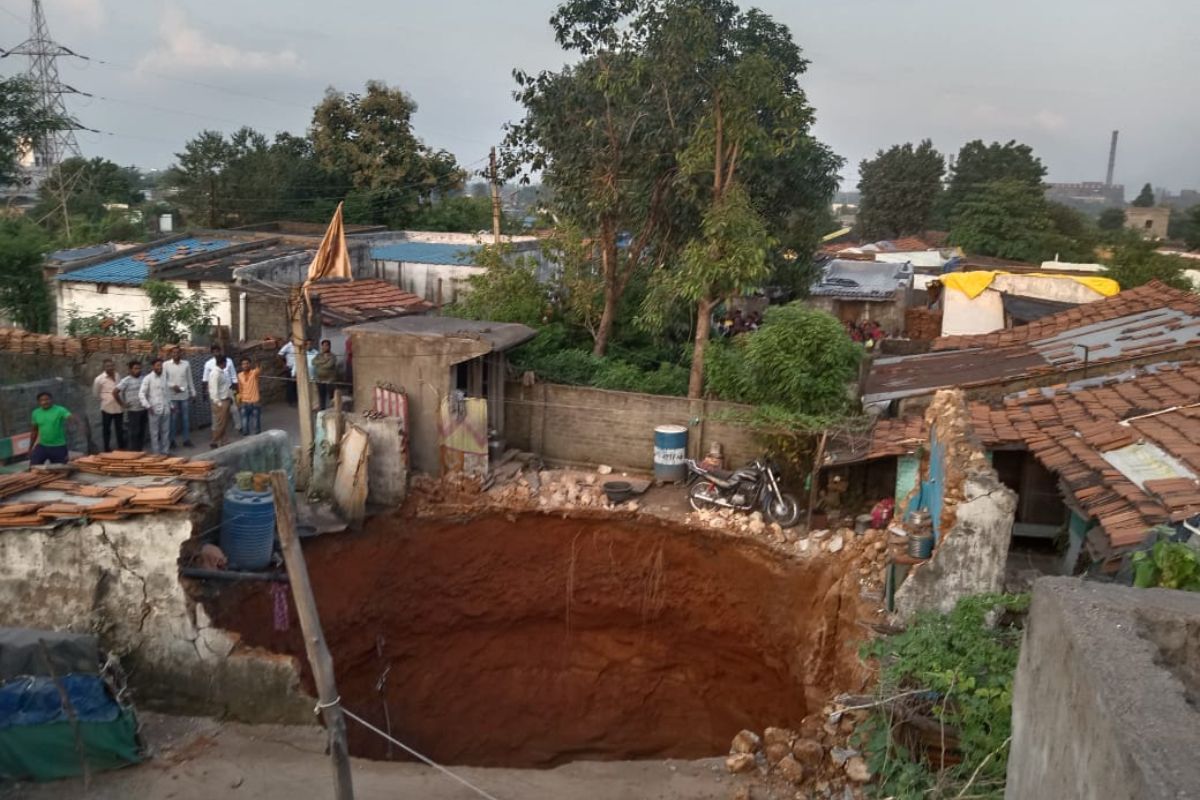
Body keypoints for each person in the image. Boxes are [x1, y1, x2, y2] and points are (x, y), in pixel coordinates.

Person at [29, 392, 75, 466]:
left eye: (47, 399)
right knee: (33, 467)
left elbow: (71, 417)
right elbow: (34, 431)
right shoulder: (36, 413)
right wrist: (30, 447)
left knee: (61, 470)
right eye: (42, 400)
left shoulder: (60, 410)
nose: (44, 402)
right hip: (42, 446)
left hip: (58, 447)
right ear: (38, 402)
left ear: (51, 400)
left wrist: (75, 422)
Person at [203, 344, 241, 434]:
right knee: (216, 413)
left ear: (220, 351)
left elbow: (233, 375)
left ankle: (239, 427)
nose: (216, 353)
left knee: (234, 409)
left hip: (228, 390)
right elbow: (205, 379)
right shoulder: (208, 364)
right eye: (214, 352)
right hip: (216, 392)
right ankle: (215, 430)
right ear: (212, 353)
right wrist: (204, 392)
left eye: (218, 351)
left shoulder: (228, 361)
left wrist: (236, 389)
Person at [139, 358, 173, 455]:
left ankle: (165, 451)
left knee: (165, 432)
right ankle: (156, 453)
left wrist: (171, 405)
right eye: (158, 365)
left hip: (165, 408)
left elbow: (167, 392)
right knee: (154, 433)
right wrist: (147, 406)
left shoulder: (164, 377)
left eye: (161, 365)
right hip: (154, 410)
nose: (160, 367)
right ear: (153, 366)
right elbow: (141, 394)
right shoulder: (148, 378)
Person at [163, 346, 195, 448]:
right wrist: (172, 386)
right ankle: (171, 440)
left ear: (181, 353)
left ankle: (186, 439)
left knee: (186, 419)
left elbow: (189, 379)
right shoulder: (166, 365)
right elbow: (163, 380)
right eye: (174, 352)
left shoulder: (186, 364)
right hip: (172, 396)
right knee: (173, 419)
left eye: (178, 352)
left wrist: (193, 392)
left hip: (184, 395)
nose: (176, 354)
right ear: (171, 354)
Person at [92, 359, 125, 451]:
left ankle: (121, 448)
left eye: (112, 366)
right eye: (108, 366)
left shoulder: (117, 375)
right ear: (104, 367)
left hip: (118, 407)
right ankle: (106, 449)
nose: (110, 368)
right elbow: (95, 393)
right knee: (106, 429)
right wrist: (106, 399)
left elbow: (120, 389)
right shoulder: (99, 379)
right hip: (107, 408)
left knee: (120, 429)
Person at [116, 360, 147, 451]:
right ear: (130, 370)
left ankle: (139, 451)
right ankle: (133, 452)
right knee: (134, 433)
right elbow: (115, 392)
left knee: (142, 432)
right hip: (133, 411)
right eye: (135, 368)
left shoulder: (144, 379)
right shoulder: (126, 380)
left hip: (143, 409)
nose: (138, 370)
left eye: (139, 368)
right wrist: (122, 404)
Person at [207, 354, 233, 448]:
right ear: (223, 363)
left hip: (225, 399)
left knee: (224, 422)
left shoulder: (222, 372)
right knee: (221, 423)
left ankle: (223, 440)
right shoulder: (215, 373)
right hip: (220, 401)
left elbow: (225, 387)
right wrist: (218, 403)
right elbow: (213, 389)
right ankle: (214, 441)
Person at [237, 357, 263, 435]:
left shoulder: (254, 373)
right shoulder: (239, 375)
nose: (245, 365)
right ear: (241, 366)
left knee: (256, 422)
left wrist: (257, 362)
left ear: (250, 364)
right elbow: (240, 388)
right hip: (244, 401)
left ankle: (257, 436)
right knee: (244, 420)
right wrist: (240, 400)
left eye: (247, 363)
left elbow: (259, 368)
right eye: (243, 364)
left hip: (254, 401)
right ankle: (245, 434)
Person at [312, 339, 339, 410]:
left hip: (329, 380)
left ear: (329, 346)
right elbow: (313, 362)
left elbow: (329, 365)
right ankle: (322, 410)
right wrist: (325, 360)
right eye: (323, 345)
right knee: (321, 396)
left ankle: (333, 410)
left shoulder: (333, 356)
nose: (325, 347)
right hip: (320, 379)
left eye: (326, 345)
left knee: (332, 396)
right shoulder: (319, 355)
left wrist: (319, 364)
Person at [278, 338, 298, 406]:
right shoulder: (288, 346)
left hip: (298, 367)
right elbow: (279, 355)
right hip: (290, 368)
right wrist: (284, 365)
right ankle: (291, 401)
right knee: (290, 385)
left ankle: (296, 400)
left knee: (296, 385)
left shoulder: (298, 345)